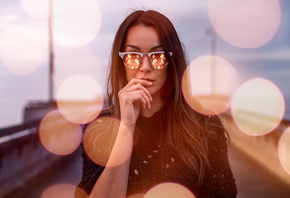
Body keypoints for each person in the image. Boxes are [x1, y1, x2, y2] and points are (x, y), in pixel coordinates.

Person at [75, 9, 237, 198]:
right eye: (133, 57)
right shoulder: (99, 128)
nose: (145, 67)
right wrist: (126, 127)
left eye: (157, 56)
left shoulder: (205, 125)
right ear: (121, 63)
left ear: (171, 60)